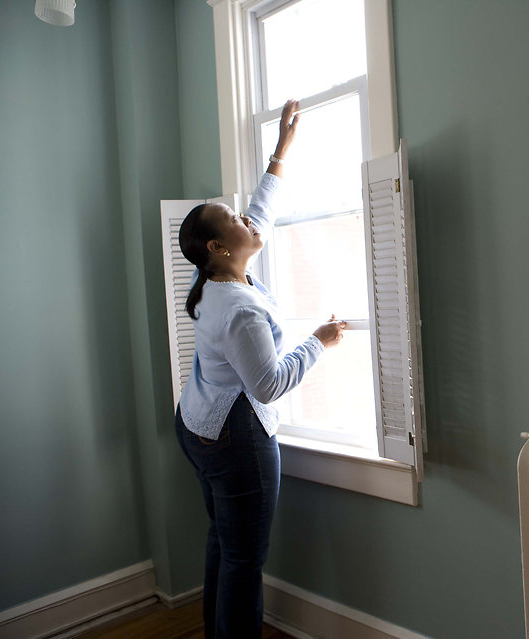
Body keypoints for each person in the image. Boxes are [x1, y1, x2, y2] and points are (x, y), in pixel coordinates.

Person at [174, 99, 343, 638]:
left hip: (195, 424)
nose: (246, 218)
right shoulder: (239, 309)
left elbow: (259, 214)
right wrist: (318, 341)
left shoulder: (217, 280)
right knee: (245, 559)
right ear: (221, 248)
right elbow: (269, 385)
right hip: (233, 439)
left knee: (224, 543)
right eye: (234, 220)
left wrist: (280, 152)